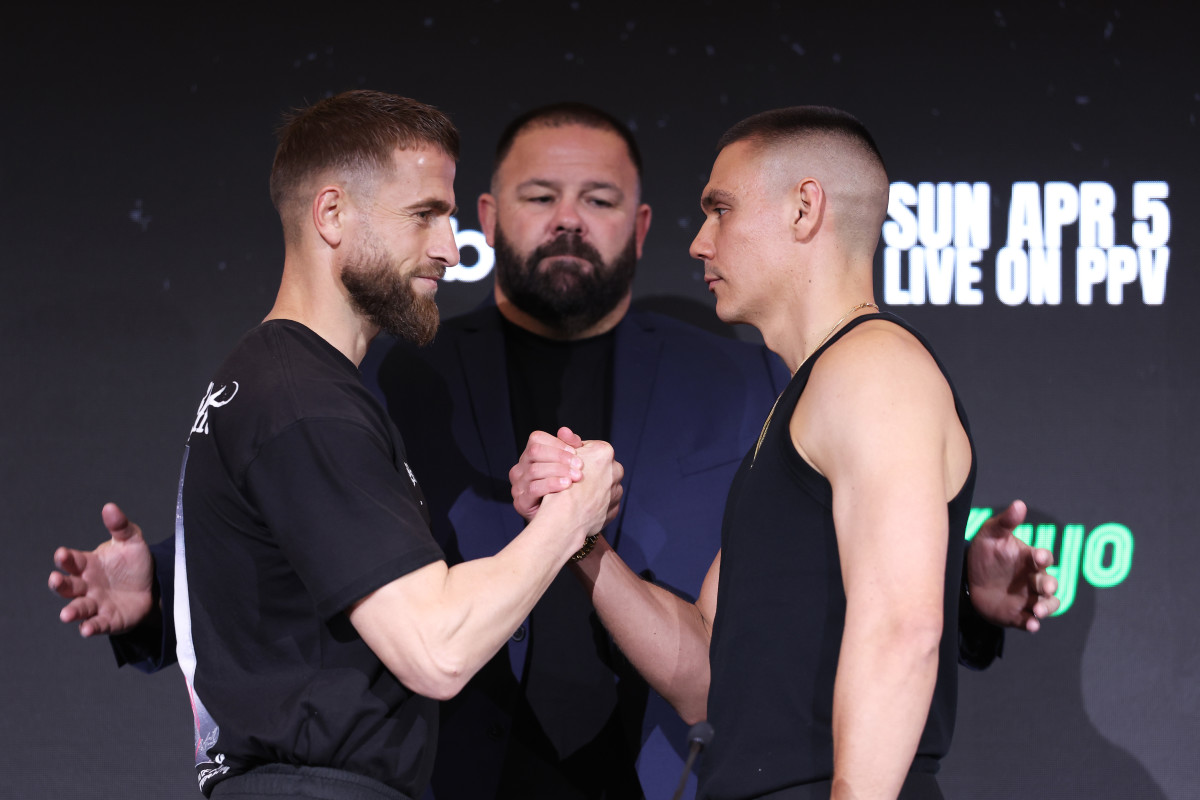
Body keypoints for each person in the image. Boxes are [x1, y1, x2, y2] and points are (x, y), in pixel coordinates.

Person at [51, 103, 1058, 799]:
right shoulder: (393, 374)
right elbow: (328, 550)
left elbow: (886, 619)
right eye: (533, 197)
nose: (699, 242)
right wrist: (176, 591)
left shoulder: (786, 379)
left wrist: (950, 577)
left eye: (713, 210)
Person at [49, 89, 618, 800]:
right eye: (424, 215)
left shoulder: (279, 380)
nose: (451, 248)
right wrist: (571, 517)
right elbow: (436, 648)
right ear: (331, 214)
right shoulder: (303, 399)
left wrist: (173, 585)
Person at [515, 106, 1029, 799]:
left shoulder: (874, 369)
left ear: (804, 209)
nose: (699, 242)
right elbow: (708, 674)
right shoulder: (807, 397)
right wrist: (579, 540)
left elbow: (903, 631)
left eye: (721, 209)